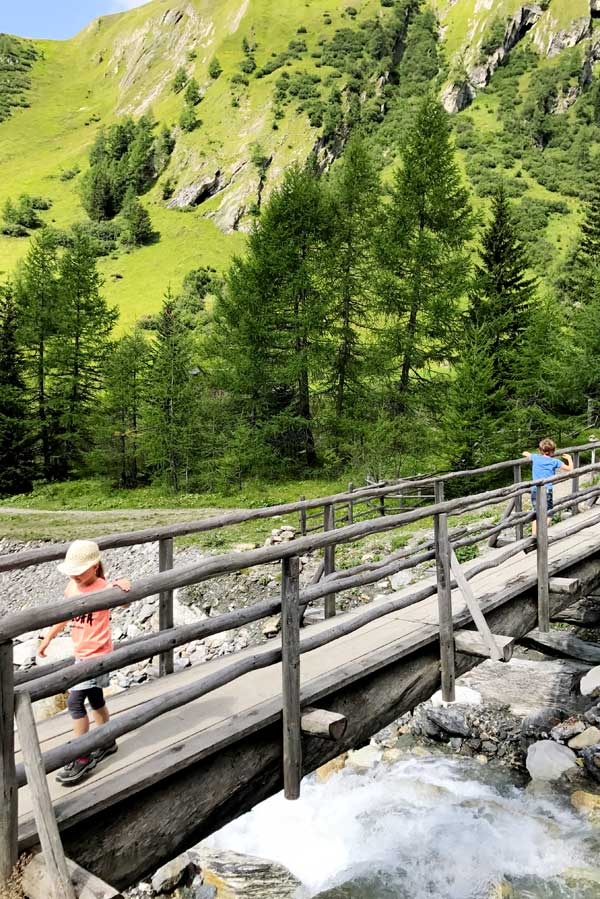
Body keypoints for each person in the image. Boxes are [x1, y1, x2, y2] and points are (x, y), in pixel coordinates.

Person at [37, 540, 130, 786]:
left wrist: (122, 586)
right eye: (72, 572)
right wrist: (48, 637)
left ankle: (81, 755)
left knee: (75, 702)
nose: (75, 576)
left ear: (94, 566)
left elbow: (125, 601)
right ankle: (106, 740)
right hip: (81, 654)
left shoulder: (103, 587)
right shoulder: (72, 588)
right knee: (96, 698)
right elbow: (66, 615)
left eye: (80, 572)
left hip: (97, 657)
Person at [522, 438, 573, 535]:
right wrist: (569, 459)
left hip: (535, 489)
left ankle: (534, 536)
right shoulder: (555, 461)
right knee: (549, 513)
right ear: (553, 451)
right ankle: (541, 532)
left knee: (536, 512)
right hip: (547, 490)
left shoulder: (536, 457)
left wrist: (529, 453)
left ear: (540, 450)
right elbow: (570, 469)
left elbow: (525, 453)